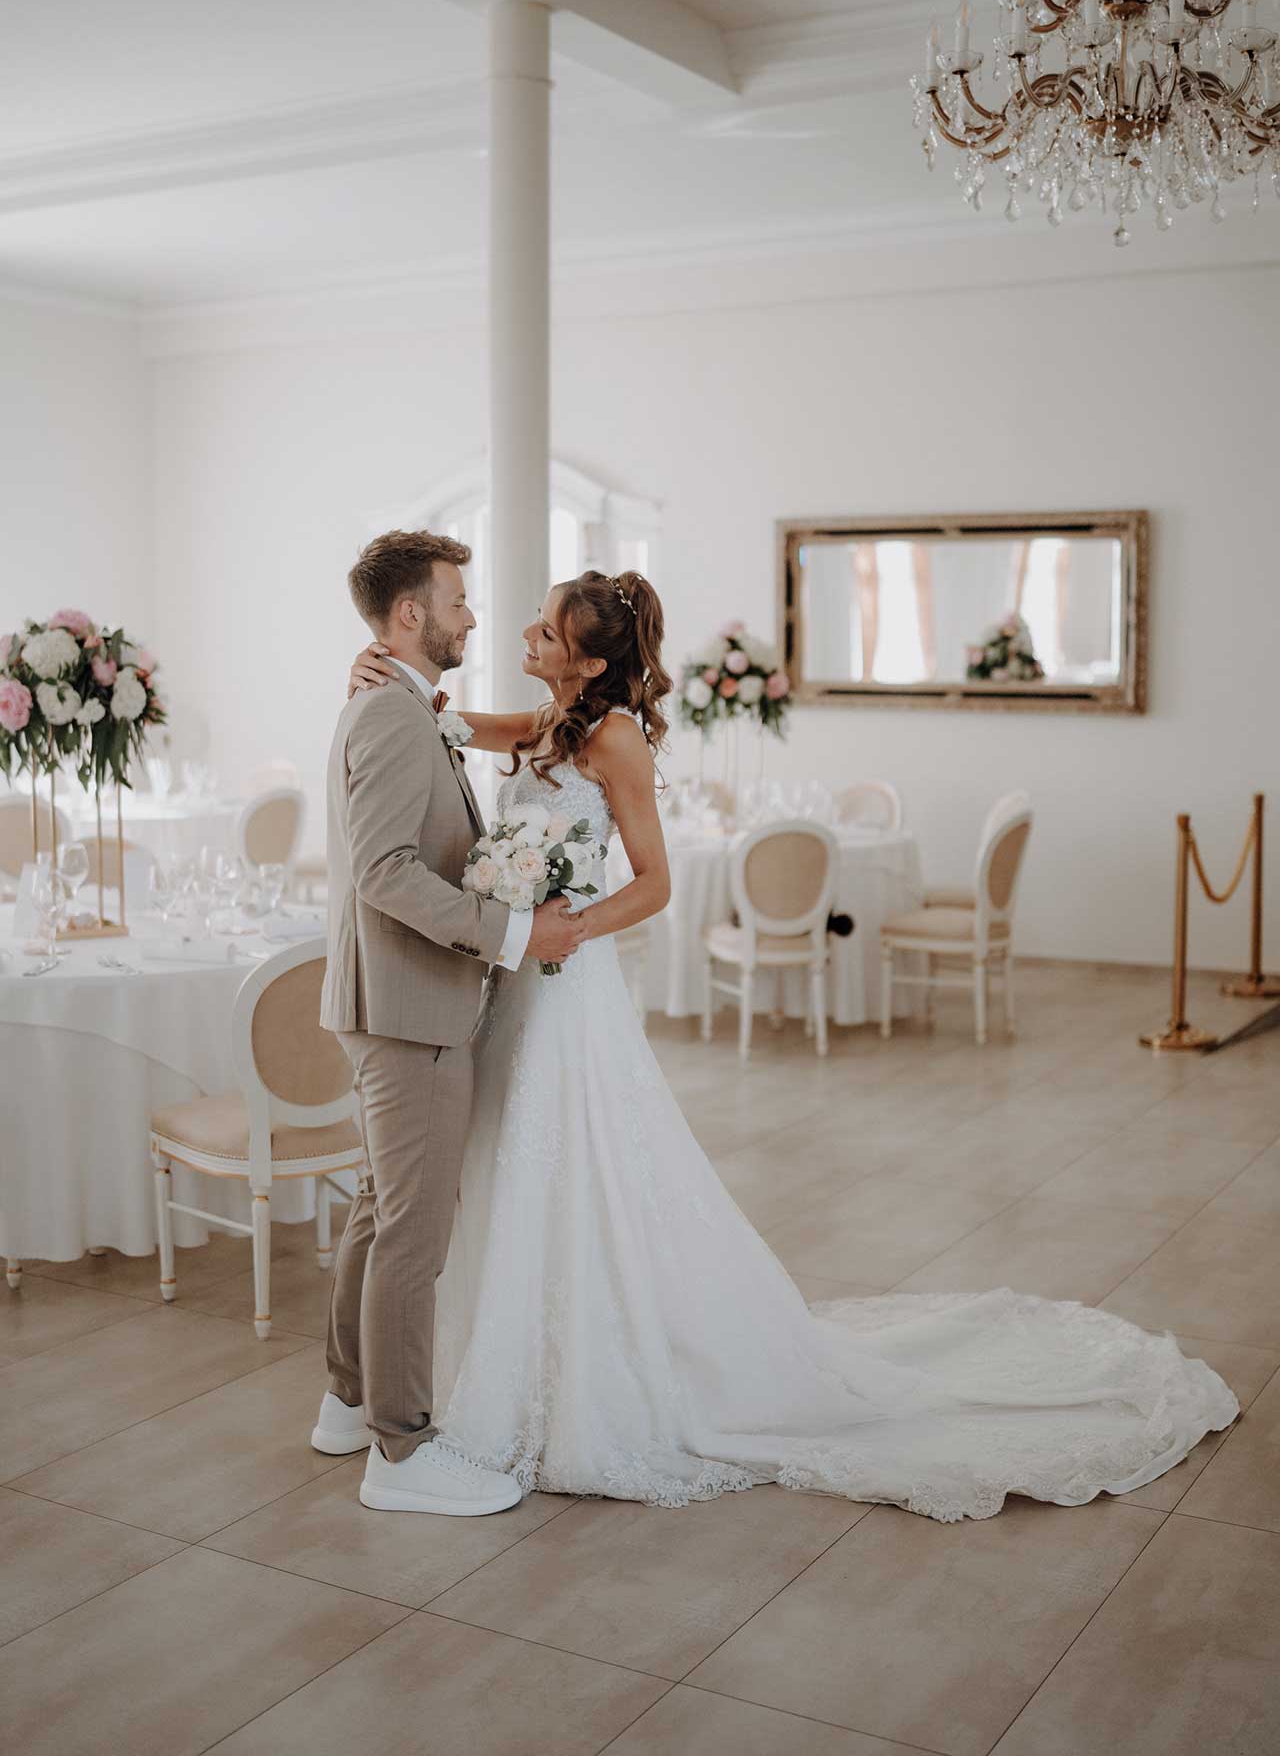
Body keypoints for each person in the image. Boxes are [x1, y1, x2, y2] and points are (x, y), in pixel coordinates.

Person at [341, 562, 1239, 1521]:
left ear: (592, 658)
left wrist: (568, 929)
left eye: (545, 632)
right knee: (502, 1163)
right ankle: (476, 1364)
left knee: (574, 1163)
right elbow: (462, 725)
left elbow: (655, 886)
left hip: (566, 981)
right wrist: (394, 681)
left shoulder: (614, 739)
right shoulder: (551, 724)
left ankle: (589, 1365)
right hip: (518, 984)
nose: (524, 636)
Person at [316, 530, 586, 1518]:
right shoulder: (388, 714)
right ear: (408, 615)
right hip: (409, 1006)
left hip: (389, 1002)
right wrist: (510, 931)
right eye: (458, 600)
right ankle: (400, 1451)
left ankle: (347, 1403)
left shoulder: (397, 702)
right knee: (414, 1240)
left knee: (381, 1212)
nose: (473, 615)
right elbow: (385, 871)